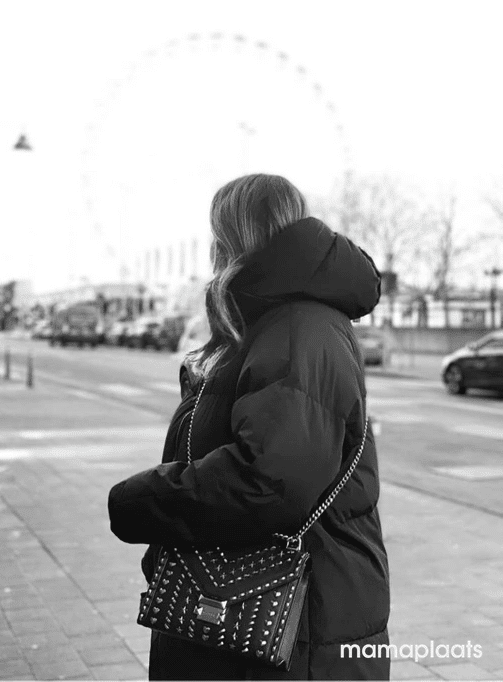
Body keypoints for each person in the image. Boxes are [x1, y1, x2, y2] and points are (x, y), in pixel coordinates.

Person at [108, 174, 390, 680]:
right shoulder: (270, 324)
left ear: (232, 238)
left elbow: (269, 481)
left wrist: (142, 502)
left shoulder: (301, 328)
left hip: (298, 632)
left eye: (216, 236)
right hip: (259, 621)